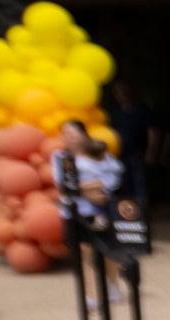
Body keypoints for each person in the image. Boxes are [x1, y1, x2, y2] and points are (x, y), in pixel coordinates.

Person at [53, 120, 125, 308]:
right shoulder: (61, 157)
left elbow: (113, 177)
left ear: (84, 135)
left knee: (107, 250)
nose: (71, 139)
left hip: (100, 210)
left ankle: (113, 287)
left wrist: (97, 190)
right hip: (75, 212)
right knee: (83, 252)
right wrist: (86, 190)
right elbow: (62, 184)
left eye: (75, 135)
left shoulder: (99, 154)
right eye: (66, 135)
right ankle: (91, 296)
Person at [111, 81, 155, 209]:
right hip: (120, 152)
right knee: (124, 182)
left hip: (138, 151)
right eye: (117, 93)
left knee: (140, 181)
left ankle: (142, 211)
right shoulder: (116, 112)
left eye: (122, 93)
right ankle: (130, 211)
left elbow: (152, 132)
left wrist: (151, 151)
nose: (120, 96)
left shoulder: (141, 110)